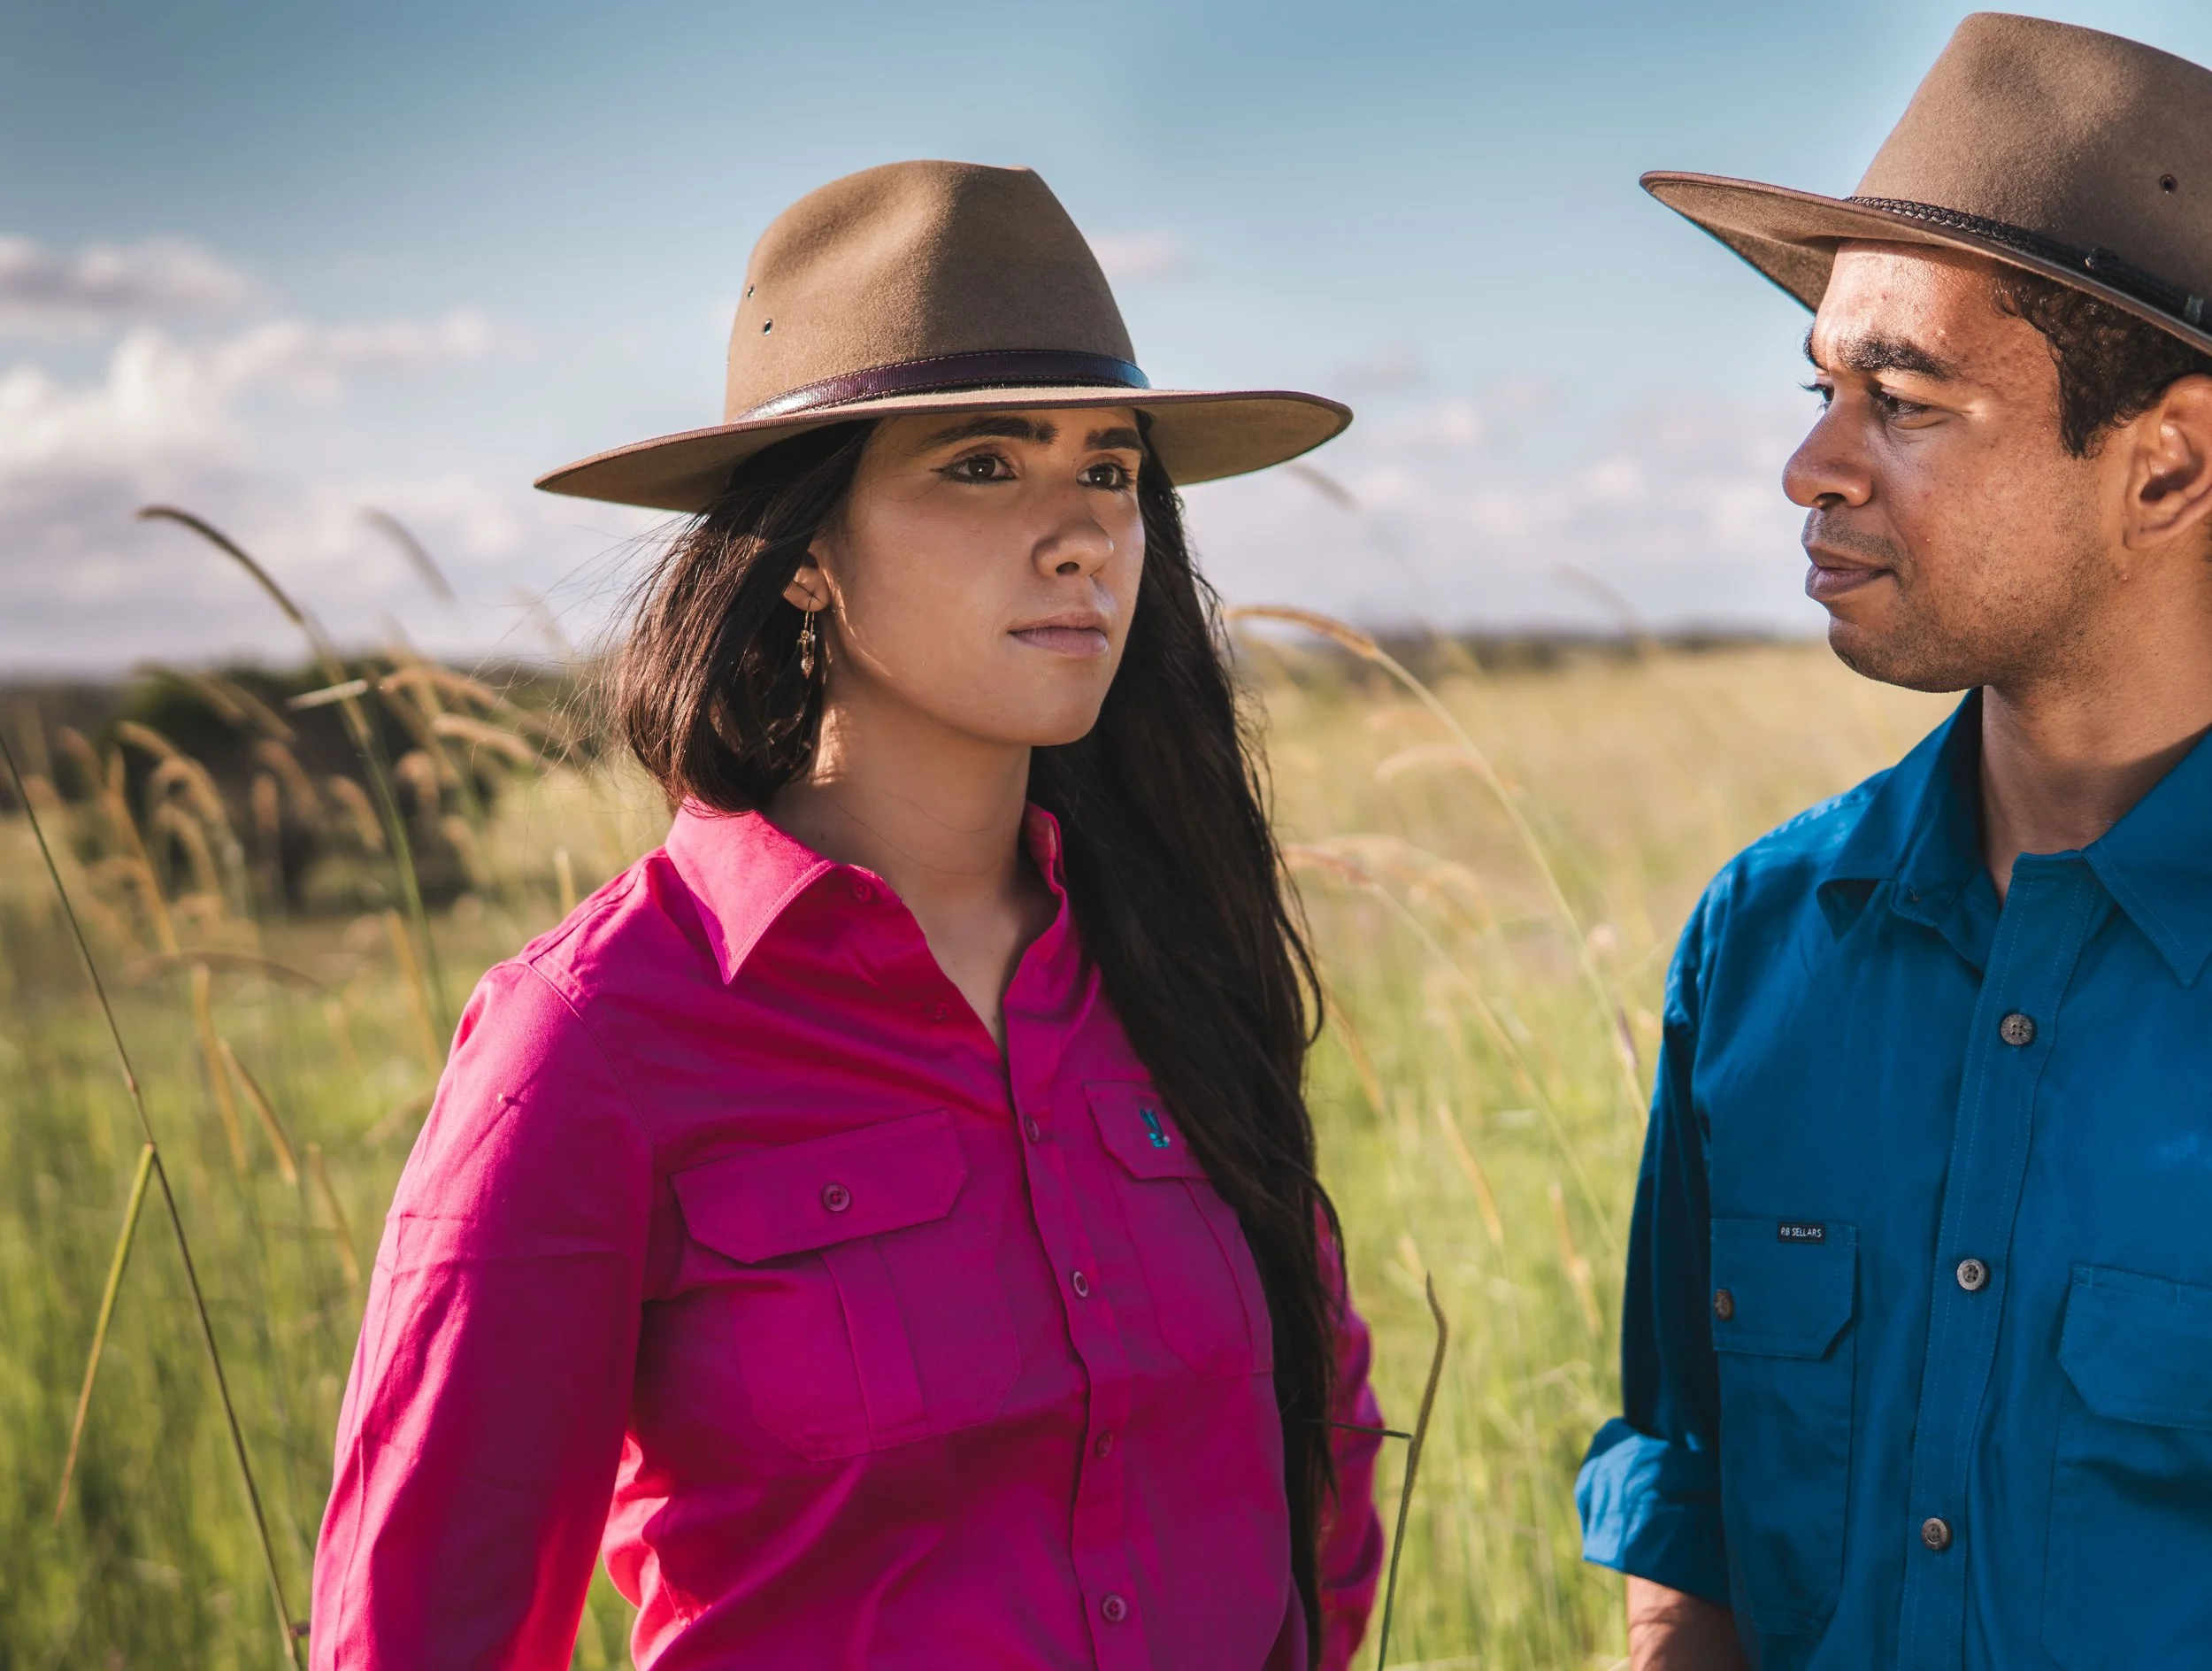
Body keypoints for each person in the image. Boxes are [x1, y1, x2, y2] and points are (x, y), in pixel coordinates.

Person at [309, 159, 1385, 1669]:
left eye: (1113, 469)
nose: (1082, 534)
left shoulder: (1172, 961)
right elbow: (429, 1622)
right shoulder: (593, 1043)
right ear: (807, 552)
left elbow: (1315, 1468)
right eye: (982, 466)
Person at [1575, 15, 2212, 1671]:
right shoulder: (1766, 936)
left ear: (2167, 469)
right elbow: (1690, 1502)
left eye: (1906, 402)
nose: (1809, 465)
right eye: (1822, 390)